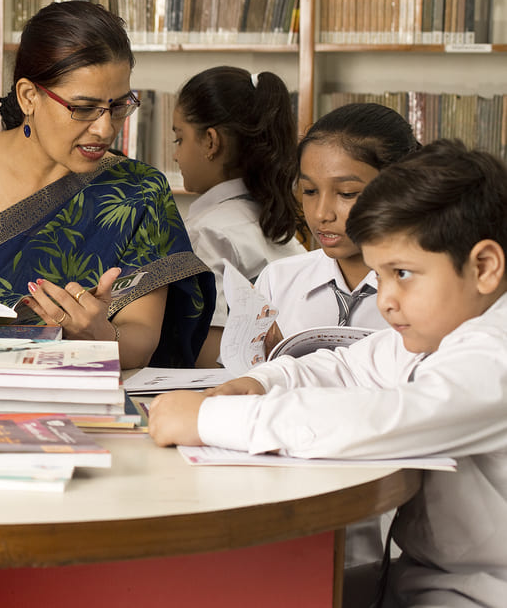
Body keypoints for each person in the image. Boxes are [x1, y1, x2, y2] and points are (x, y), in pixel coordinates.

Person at [148, 139, 507, 608]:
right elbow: (347, 364)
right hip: (418, 578)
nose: (386, 300)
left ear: (483, 267)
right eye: (382, 276)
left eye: (404, 273)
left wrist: (206, 422)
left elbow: (383, 417)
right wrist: (261, 382)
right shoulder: (444, 331)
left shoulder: (494, 355)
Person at [0, 0, 214, 369]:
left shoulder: (139, 192)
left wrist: (100, 337)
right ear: (29, 96)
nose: (105, 129)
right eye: (84, 108)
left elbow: (140, 336)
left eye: (119, 106)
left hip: (77, 402)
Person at [173, 66, 306, 368]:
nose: (176, 156)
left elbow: (211, 355)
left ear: (210, 142)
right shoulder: (279, 226)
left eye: (179, 139)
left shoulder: (207, 234)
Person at [253, 103, 420, 343]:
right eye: (309, 191)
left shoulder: (430, 292)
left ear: (400, 189)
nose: (322, 214)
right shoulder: (277, 281)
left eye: (347, 193)